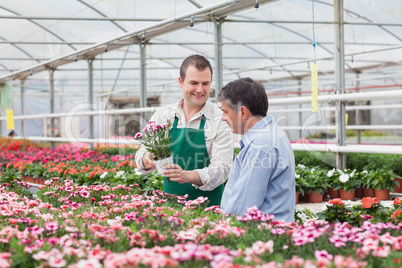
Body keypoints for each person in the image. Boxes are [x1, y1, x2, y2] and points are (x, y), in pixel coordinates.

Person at [135, 54, 233, 206]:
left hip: (209, 208)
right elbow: (142, 151)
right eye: (194, 83)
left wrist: (187, 176)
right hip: (170, 206)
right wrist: (146, 159)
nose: (200, 90)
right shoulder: (164, 115)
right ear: (181, 82)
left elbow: (222, 168)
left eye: (205, 83)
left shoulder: (220, 118)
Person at [218, 77, 295, 222]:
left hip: (259, 235)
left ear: (242, 112)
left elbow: (243, 207)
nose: (223, 118)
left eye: (225, 112)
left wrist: (222, 229)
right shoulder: (272, 133)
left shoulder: (261, 145)